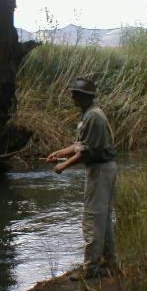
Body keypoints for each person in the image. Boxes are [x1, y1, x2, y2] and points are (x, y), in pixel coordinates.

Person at [46, 78, 118, 279]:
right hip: (103, 169)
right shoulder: (90, 114)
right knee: (103, 218)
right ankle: (110, 263)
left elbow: (86, 153)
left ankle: (91, 269)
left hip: (100, 170)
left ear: (85, 96)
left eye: (75, 94)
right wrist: (60, 152)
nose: (72, 97)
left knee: (93, 218)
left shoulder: (93, 117)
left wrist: (63, 166)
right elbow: (80, 145)